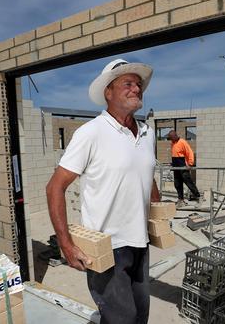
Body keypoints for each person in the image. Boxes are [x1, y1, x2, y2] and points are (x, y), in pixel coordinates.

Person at [46, 58, 160, 324]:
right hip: (106, 248)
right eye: (128, 84)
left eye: (139, 85)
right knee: (122, 319)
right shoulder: (91, 133)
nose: (136, 89)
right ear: (108, 92)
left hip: (140, 244)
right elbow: (55, 187)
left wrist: (157, 213)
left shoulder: (147, 133)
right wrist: (66, 244)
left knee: (140, 316)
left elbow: (146, 173)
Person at [166, 130, 200, 206]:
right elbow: (175, 154)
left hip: (183, 165)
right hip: (176, 166)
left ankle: (198, 196)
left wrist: (190, 164)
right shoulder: (172, 143)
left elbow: (189, 152)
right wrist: (172, 163)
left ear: (175, 136)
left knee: (188, 182)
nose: (170, 140)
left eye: (171, 138)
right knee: (177, 183)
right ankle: (180, 199)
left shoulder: (183, 142)